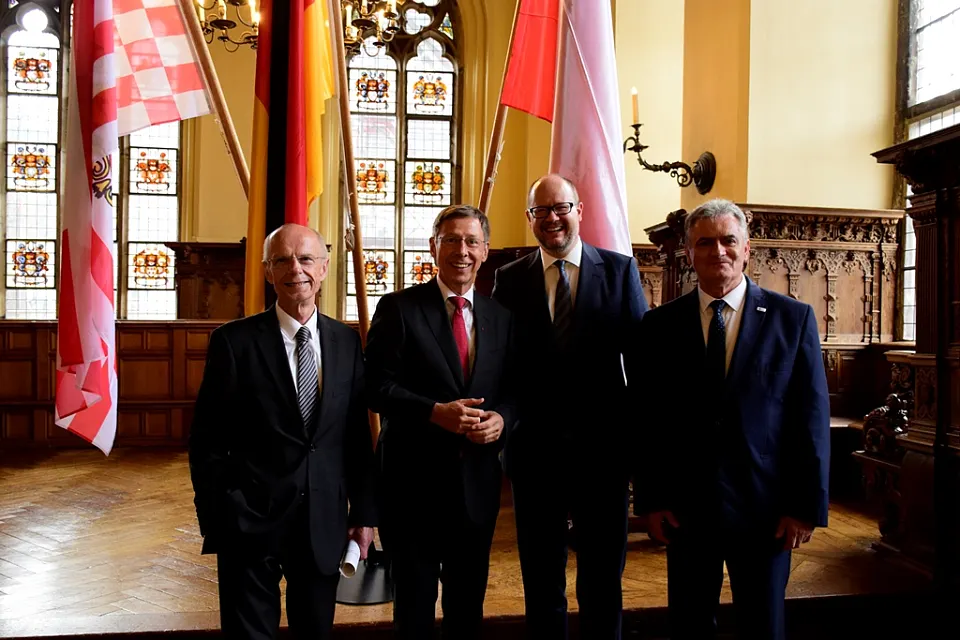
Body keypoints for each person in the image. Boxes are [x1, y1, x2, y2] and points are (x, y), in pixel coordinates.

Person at [634, 198, 830, 640]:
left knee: (763, 626)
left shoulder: (792, 319)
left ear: (747, 250)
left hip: (767, 510)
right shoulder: (659, 326)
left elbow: (810, 417)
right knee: (689, 625)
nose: (717, 252)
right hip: (687, 509)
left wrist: (804, 507)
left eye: (728, 241)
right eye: (705, 243)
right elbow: (648, 420)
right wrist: (652, 500)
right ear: (688, 253)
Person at [188, 223, 377, 640]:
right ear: (268, 271)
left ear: (324, 267)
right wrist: (221, 516)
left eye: (306, 258)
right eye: (282, 260)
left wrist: (364, 516)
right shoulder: (233, 342)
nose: (296, 269)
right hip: (250, 524)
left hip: (323, 522)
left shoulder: (346, 344)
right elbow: (207, 441)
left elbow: (355, 439)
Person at [491, 174, 648, 639]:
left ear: (580, 211)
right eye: (542, 211)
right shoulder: (509, 278)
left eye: (562, 207)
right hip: (533, 453)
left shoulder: (619, 271)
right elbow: (502, 366)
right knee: (541, 580)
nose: (553, 218)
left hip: (604, 453)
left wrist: (639, 448)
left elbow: (639, 363)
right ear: (529, 219)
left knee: (602, 580)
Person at [365, 205, 516, 640]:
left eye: (472, 241)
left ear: (486, 251)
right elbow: (374, 387)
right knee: (413, 609)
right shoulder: (398, 308)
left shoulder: (501, 318)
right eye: (451, 240)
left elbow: (516, 390)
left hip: (477, 490)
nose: (462, 251)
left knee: (467, 608)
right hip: (412, 489)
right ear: (434, 247)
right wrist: (434, 412)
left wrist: (503, 420)